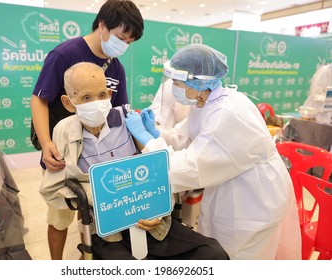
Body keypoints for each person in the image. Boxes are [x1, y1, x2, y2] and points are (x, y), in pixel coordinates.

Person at [125, 44, 302, 260]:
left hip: (253, 200)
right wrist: (155, 134)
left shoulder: (226, 113)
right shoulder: (205, 102)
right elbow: (184, 138)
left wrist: (147, 142)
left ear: (199, 81)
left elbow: (189, 167)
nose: (174, 89)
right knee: (219, 248)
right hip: (229, 186)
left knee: (240, 257)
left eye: (178, 83)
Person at [39, 62, 229, 260]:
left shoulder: (127, 120)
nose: (96, 102)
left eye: (102, 95)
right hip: (108, 231)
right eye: (86, 98)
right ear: (69, 102)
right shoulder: (63, 131)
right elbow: (53, 189)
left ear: (110, 95)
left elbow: (160, 169)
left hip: (151, 220)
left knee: (211, 252)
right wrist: (104, 197)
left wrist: (159, 210)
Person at [30, 0, 144, 172]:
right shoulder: (64, 54)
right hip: (65, 150)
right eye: (121, 38)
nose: (123, 46)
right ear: (103, 25)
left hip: (99, 155)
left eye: (129, 42)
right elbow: (39, 100)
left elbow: (119, 112)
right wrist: (46, 143)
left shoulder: (116, 68)